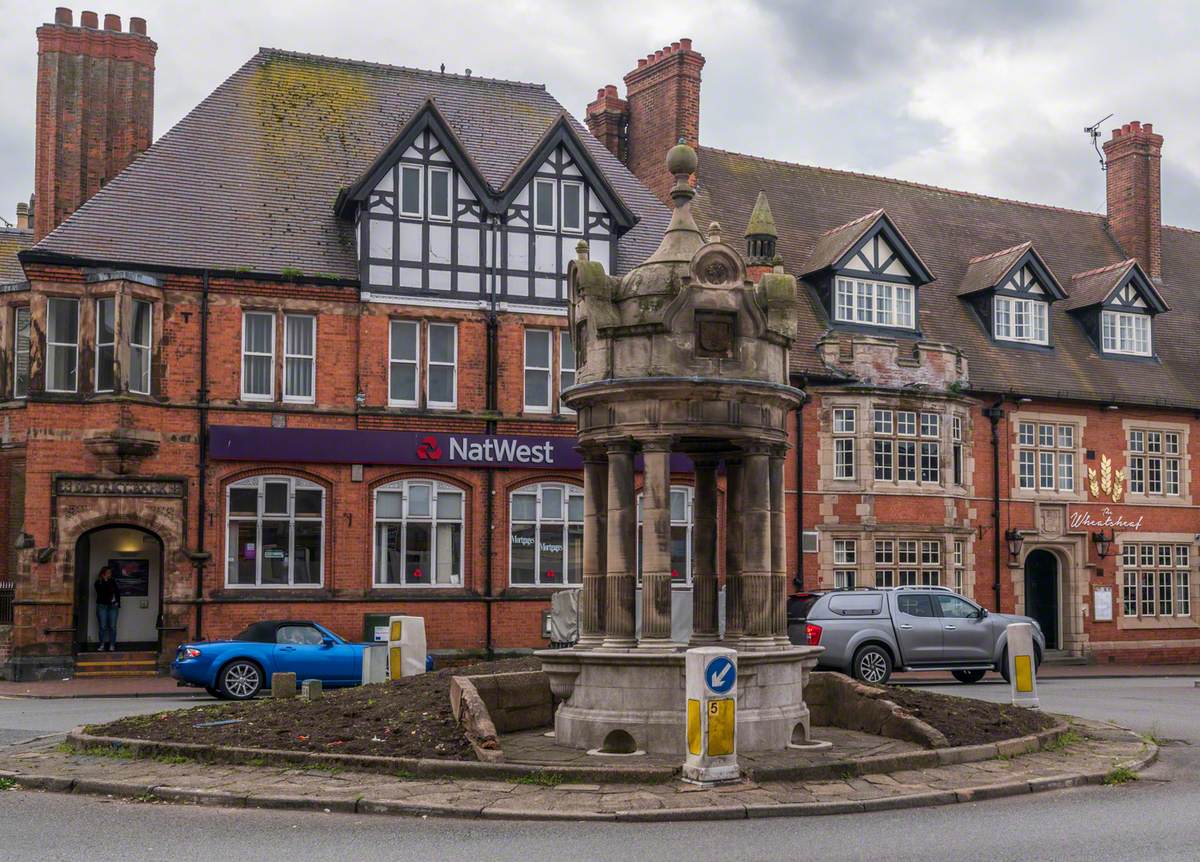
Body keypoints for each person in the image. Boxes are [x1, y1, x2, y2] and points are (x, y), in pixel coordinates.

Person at [94, 566, 121, 652]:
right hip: (102, 606)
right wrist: (105, 581)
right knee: (102, 626)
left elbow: (117, 592)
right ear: (103, 573)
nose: (110, 574)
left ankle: (112, 645)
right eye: (108, 572)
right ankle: (102, 645)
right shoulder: (98, 582)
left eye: (110, 572)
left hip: (113, 606)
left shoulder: (113, 581)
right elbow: (103, 593)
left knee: (112, 626)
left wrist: (117, 602)